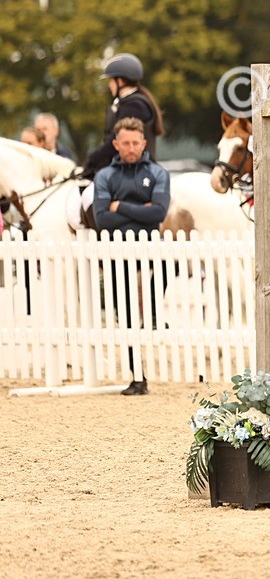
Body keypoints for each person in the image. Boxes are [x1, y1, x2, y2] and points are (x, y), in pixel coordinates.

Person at [92, 117, 171, 396]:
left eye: (135, 143)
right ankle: (137, 377)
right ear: (116, 144)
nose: (130, 147)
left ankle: (152, 315)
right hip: (117, 253)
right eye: (125, 143)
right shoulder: (104, 176)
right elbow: (102, 220)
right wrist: (141, 210)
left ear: (144, 143)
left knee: (156, 294)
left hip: (151, 251)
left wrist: (119, 206)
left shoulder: (158, 173)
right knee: (123, 316)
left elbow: (158, 214)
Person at [82, 53, 164, 179]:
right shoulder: (127, 103)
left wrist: (93, 159)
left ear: (119, 81)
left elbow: (116, 141)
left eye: (110, 80)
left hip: (135, 170)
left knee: (89, 194)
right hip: (123, 168)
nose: (109, 84)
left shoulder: (135, 106)